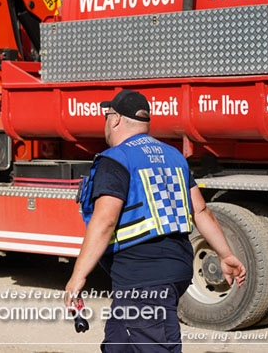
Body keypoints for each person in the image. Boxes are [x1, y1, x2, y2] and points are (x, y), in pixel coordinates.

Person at [64, 90, 246, 352]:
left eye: (106, 117)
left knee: (151, 342)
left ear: (115, 120)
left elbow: (105, 221)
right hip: (171, 269)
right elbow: (201, 211)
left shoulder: (116, 159)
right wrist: (225, 254)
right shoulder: (174, 157)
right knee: (118, 343)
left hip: (143, 276)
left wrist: (77, 277)